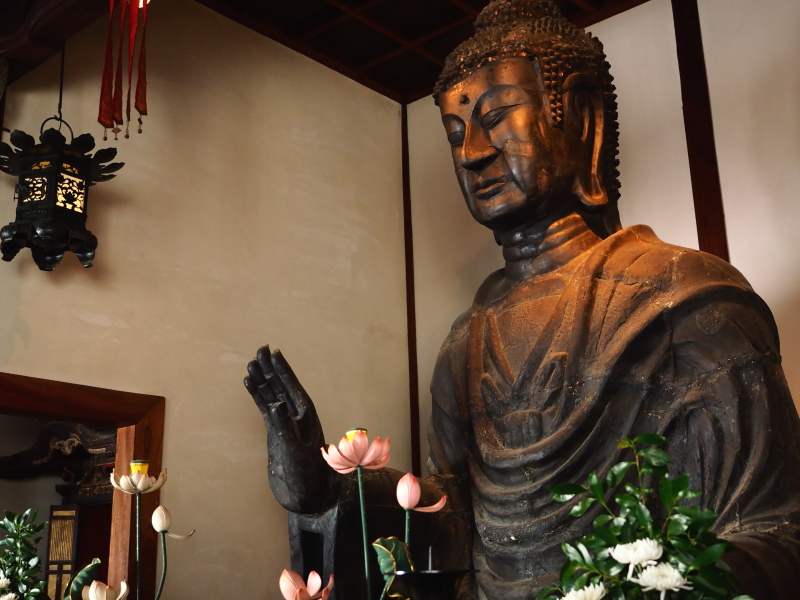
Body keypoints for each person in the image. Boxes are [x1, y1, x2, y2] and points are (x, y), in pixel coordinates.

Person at [245, 2, 800, 598]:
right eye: (455, 134)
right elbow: (450, 513)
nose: (471, 151)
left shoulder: (684, 296)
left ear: (583, 119)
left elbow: (775, 532)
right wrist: (328, 486)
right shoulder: (465, 343)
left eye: (496, 116)